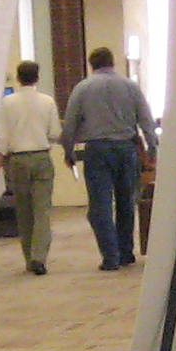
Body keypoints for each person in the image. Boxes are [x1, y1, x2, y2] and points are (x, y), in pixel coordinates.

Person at [61, 43, 155, 271]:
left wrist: (69, 151)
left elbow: (70, 123)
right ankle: (126, 252)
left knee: (100, 205)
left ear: (91, 65)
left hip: (97, 151)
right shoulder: (130, 86)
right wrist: (152, 148)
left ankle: (110, 257)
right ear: (112, 62)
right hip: (126, 149)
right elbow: (146, 118)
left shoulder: (82, 88)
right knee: (126, 202)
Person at [0, 56, 62, 274]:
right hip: (41, 157)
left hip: (17, 160)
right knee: (42, 210)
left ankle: (28, 257)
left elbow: (2, 136)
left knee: (23, 211)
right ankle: (39, 257)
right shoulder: (47, 101)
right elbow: (54, 133)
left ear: (18, 78)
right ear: (37, 78)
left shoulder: (7, 103)